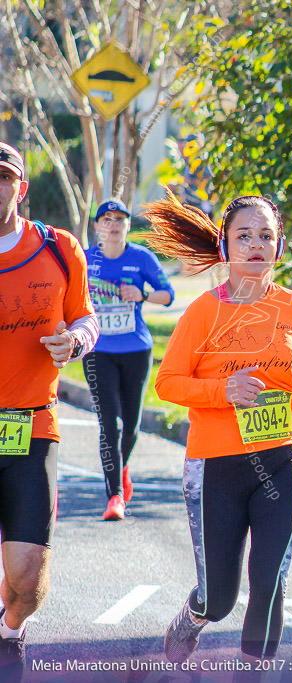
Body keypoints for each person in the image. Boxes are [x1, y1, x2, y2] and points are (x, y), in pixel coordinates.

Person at [143, 191, 292, 665]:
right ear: (226, 246)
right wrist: (221, 392)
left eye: (266, 235)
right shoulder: (204, 312)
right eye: (244, 236)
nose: (256, 244)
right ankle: (191, 619)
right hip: (216, 467)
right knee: (220, 599)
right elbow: (167, 383)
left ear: (280, 245)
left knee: (270, 586)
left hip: (280, 456)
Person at [0, 142, 98, 677]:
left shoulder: (60, 248)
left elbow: (87, 318)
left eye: (2, 177)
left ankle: (9, 623)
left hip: (31, 427)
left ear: (22, 187)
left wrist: (75, 342)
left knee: (29, 580)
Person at [83, 198, 175, 521]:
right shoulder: (85, 259)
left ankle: (121, 469)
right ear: (97, 226)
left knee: (131, 427)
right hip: (98, 351)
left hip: (135, 350)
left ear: (127, 226)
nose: (113, 224)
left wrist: (143, 295)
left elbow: (169, 296)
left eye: (119, 219)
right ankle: (115, 497)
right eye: (106, 219)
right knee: (111, 424)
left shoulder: (141, 258)